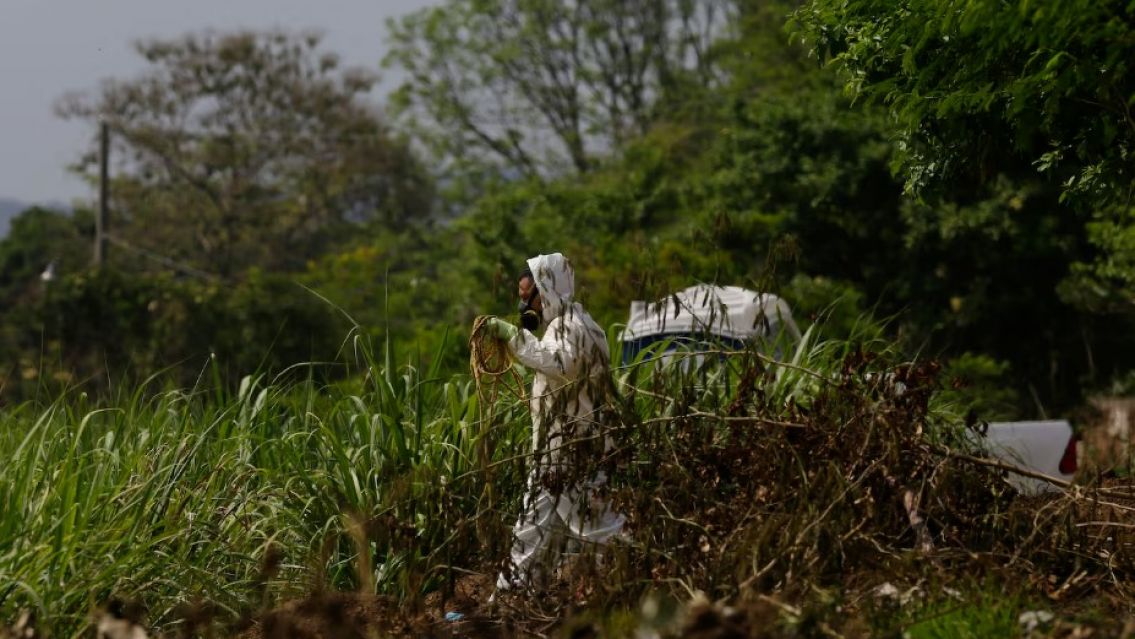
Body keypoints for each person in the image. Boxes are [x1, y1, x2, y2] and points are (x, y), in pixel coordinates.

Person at [484, 252, 626, 592]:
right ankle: (513, 590)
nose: (524, 307)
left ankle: (637, 574)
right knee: (534, 524)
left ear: (547, 290)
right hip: (559, 447)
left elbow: (559, 363)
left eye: (527, 298)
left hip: (573, 448)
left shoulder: (574, 328)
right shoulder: (566, 325)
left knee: (595, 526)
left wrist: (513, 336)